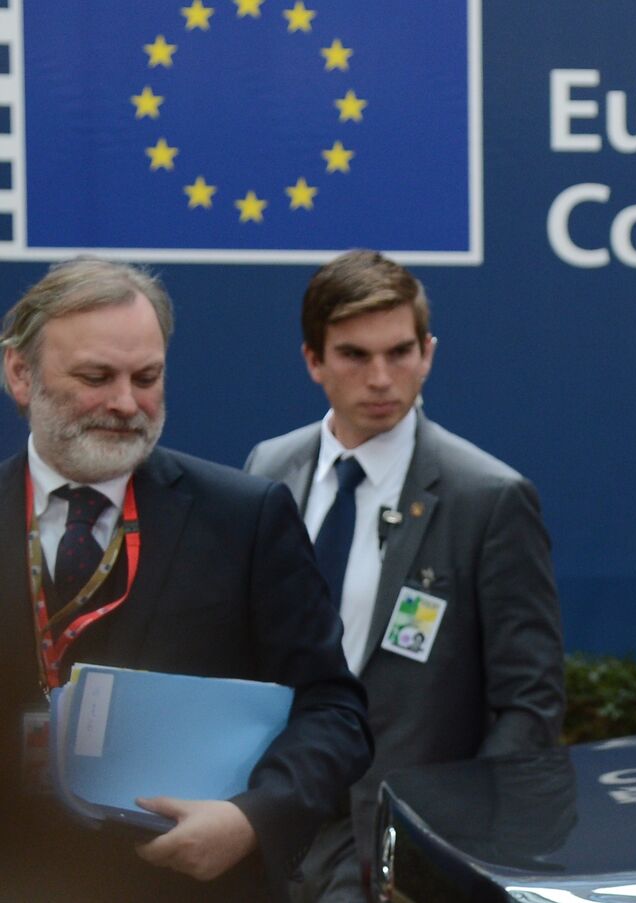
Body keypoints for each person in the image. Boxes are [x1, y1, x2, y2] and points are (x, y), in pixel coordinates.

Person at [0, 259, 373, 902]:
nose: (125, 403)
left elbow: (334, 712)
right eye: (96, 376)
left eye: (147, 377)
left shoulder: (245, 518)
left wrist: (252, 818)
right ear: (20, 374)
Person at [245, 249, 565, 901]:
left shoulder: (489, 496)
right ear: (314, 360)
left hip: (397, 842)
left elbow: (528, 704)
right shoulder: (267, 467)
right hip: (267, 820)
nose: (382, 377)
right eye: (355, 355)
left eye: (401, 351)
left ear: (429, 351)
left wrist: (462, 843)